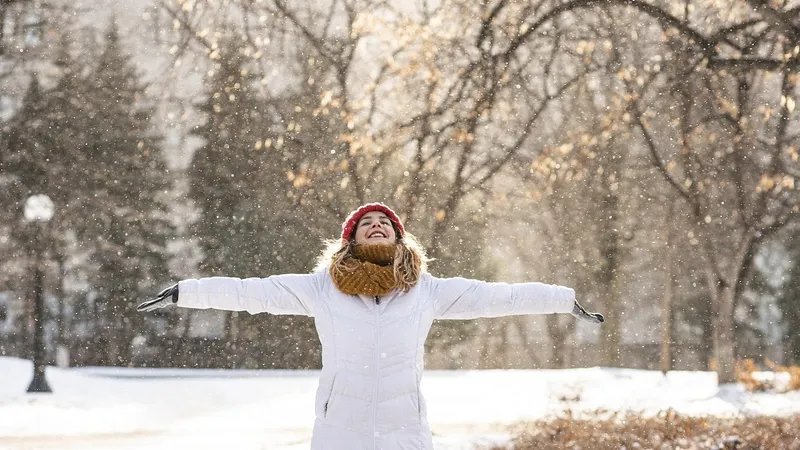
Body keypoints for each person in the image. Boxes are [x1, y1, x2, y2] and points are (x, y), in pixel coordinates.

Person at [138, 202, 603, 449]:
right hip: (341, 429)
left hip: (406, 431)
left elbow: (500, 296)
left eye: (385, 222)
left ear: (399, 237)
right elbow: (251, 292)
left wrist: (564, 300)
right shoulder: (321, 288)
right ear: (352, 239)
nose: (377, 225)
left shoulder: (427, 290)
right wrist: (186, 290)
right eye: (367, 223)